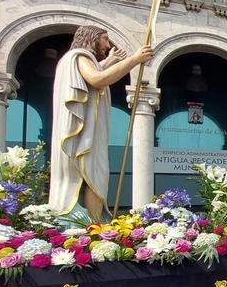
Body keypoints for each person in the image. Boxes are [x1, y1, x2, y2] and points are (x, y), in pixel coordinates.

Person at [49, 26, 154, 220]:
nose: (107, 44)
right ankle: (94, 224)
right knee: (95, 173)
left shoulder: (73, 60)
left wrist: (109, 61)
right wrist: (135, 59)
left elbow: (89, 78)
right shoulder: (80, 56)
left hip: (84, 129)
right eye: (105, 39)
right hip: (84, 132)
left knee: (90, 173)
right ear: (92, 39)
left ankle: (91, 222)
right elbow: (96, 79)